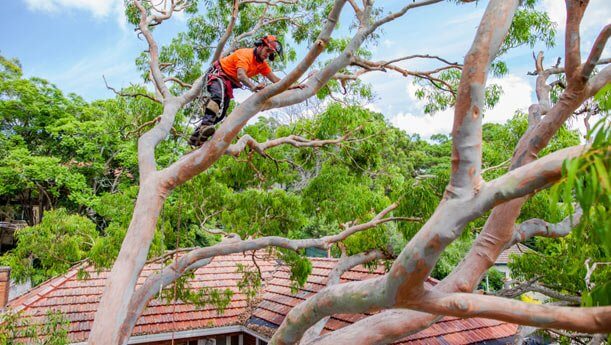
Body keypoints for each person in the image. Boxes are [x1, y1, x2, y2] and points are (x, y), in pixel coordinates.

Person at [189, 35, 292, 147]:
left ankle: (196, 137)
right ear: (260, 46)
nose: (267, 54)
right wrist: (253, 87)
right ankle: (205, 126)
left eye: (270, 53)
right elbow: (241, 75)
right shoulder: (245, 55)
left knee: (222, 114)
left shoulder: (262, 65)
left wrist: (292, 86)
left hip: (228, 83)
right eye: (267, 50)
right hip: (217, 74)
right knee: (217, 97)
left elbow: (275, 80)